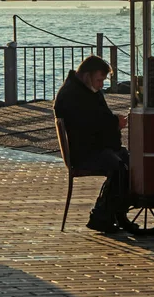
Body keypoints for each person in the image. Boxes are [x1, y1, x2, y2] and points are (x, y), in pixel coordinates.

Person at [54, 55, 128, 233]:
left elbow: (99, 118)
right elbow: (89, 125)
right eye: (99, 80)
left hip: (92, 147)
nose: (102, 85)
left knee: (130, 160)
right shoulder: (73, 95)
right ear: (87, 75)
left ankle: (117, 214)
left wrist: (113, 122)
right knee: (119, 168)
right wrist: (114, 123)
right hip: (84, 153)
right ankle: (101, 216)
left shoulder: (86, 91)